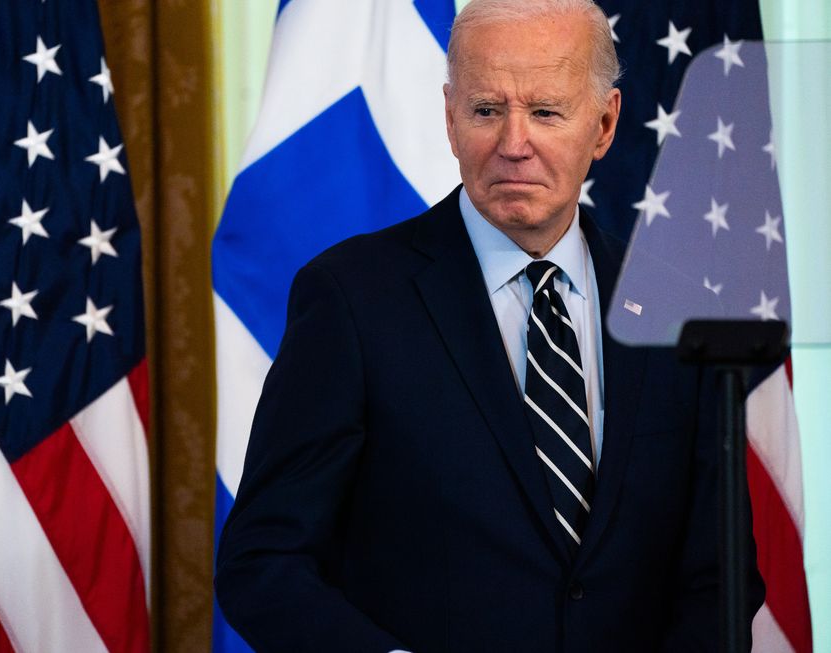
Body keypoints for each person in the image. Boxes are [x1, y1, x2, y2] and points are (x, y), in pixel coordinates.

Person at [214, 1, 764, 651]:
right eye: (486, 110)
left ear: (605, 124)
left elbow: (719, 576)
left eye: (546, 111)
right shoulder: (352, 298)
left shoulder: (679, 308)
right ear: (450, 119)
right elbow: (263, 560)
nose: (513, 144)